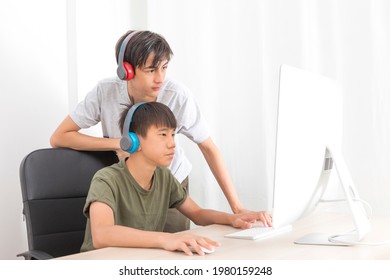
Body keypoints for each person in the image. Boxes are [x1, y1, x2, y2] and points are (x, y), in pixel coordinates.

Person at [50, 30, 266, 232]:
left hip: (168, 183)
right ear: (127, 70)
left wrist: (237, 208)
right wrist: (120, 143)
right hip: (128, 183)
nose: (160, 78)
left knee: (173, 248)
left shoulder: (177, 96)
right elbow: (60, 137)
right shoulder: (105, 92)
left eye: (164, 68)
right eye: (151, 70)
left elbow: (208, 148)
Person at [80, 102, 272, 255]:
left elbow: (197, 213)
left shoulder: (163, 176)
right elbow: (102, 234)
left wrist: (233, 218)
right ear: (133, 141)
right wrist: (166, 239)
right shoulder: (106, 180)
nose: (172, 143)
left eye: (173, 134)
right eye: (163, 135)